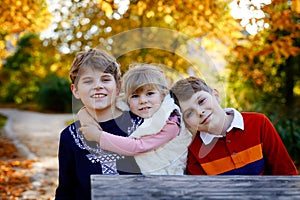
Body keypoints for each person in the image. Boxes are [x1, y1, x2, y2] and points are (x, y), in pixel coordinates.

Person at [55, 48, 144, 200]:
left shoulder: (141, 124)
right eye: (88, 81)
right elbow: (66, 189)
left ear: (118, 86)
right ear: (75, 90)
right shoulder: (69, 136)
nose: (98, 86)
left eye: (105, 79)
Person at [169, 76, 298, 175]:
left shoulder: (259, 123)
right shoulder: (194, 151)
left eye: (202, 101)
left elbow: (286, 173)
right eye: (189, 113)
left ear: (216, 95)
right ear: (186, 124)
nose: (200, 112)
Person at [78, 63, 192, 175]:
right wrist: (83, 115)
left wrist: (98, 136)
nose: (142, 100)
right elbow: (107, 104)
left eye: (150, 93)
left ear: (163, 94)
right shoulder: (138, 107)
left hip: (170, 177)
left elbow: (137, 146)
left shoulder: (172, 121)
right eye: (135, 96)